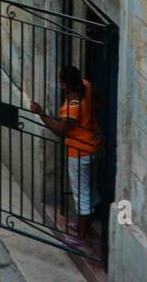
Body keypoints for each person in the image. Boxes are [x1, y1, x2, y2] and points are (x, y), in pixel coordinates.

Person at [29, 65, 103, 244]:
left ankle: (81, 236)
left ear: (63, 84)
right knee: (89, 188)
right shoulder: (87, 86)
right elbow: (99, 101)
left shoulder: (73, 107)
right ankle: (84, 224)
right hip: (94, 145)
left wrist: (41, 113)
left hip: (80, 152)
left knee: (81, 194)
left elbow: (60, 130)